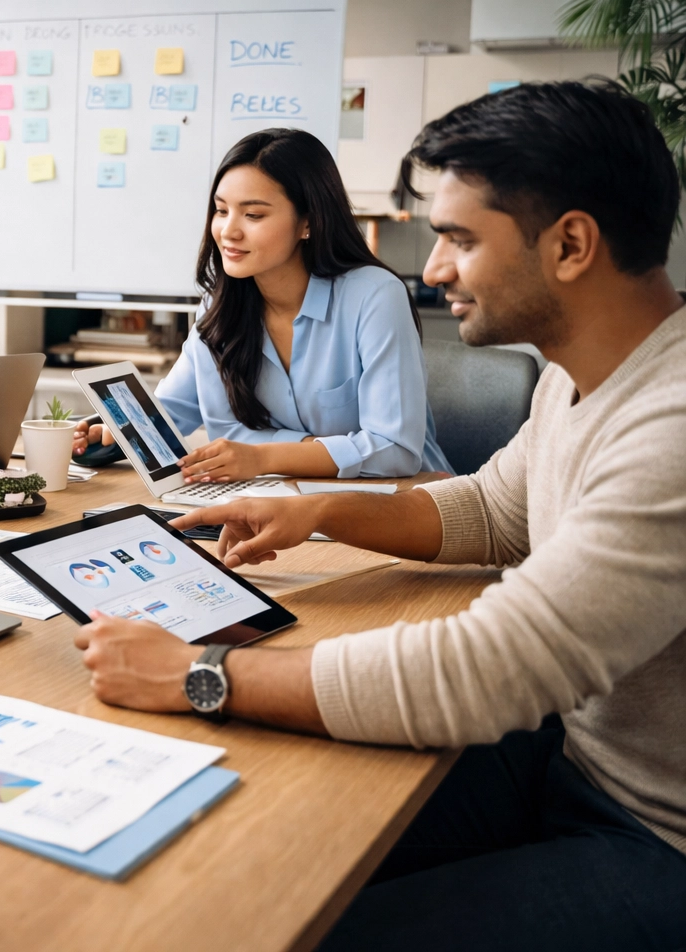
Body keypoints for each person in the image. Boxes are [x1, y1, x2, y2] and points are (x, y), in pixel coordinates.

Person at [75, 82, 686, 950]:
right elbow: (493, 507)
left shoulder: (671, 426)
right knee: (260, 859)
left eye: (460, 240)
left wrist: (197, 673)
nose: (433, 270)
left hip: (656, 833)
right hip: (574, 759)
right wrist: (321, 511)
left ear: (572, 244)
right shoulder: (580, 374)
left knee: (317, 928)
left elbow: (490, 667)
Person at [74, 128, 451, 481]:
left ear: (308, 222)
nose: (228, 231)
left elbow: (394, 449)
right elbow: (177, 410)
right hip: (280, 496)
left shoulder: (374, 296)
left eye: (253, 215)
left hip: (400, 500)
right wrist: (113, 428)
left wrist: (264, 455)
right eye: (221, 210)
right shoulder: (218, 305)